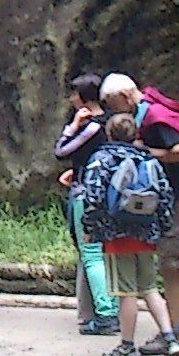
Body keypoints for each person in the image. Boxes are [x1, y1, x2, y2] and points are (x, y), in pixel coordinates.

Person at [79, 87, 179, 356]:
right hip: (147, 233)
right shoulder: (149, 160)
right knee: (149, 288)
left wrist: (91, 227)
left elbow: (93, 196)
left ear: (109, 134)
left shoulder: (102, 159)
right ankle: (170, 338)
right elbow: (165, 195)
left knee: (126, 293)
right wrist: (162, 227)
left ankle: (126, 347)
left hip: (117, 234)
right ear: (136, 135)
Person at [110, 72, 179, 351]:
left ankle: (176, 330)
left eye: (113, 104)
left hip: (176, 198)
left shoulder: (154, 117)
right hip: (166, 199)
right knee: (173, 262)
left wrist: (145, 150)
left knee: (172, 262)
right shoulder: (147, 112)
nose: (114, 112)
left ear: (125, 96)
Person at [55, 75, 120, 335]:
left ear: (84, 97)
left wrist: (72, 126)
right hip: (107, 193)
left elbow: (61, 151)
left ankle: (106, 314)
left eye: (74, 94)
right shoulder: (112, 122)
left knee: (91, 253)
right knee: (105, 253)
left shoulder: (92, 126)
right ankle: (111, 308)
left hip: (87, 194)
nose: (71, 99)